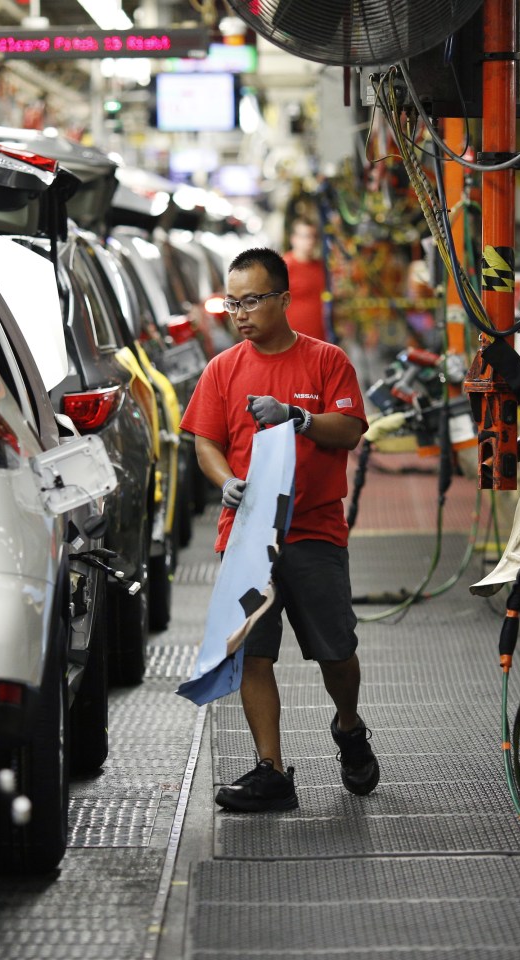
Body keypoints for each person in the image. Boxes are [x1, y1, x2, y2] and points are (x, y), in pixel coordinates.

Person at [179, 246, 376, 813]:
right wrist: (224, 482)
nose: (240, 313)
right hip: (247, 536)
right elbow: (206, 441)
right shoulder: (223, 368)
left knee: (336, 652)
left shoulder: (326, 361)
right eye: (232, 302)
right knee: (253, 654)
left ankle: (348, 725)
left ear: (284, 299)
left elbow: (350, 431)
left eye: (253, 300)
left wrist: (300, 418)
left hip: (313, 531)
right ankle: (271, 770)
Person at [281, 219, 329, 342]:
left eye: (313, 237)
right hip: (292, 341)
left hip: (319, 340)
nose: (310, 241)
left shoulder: (321, 267)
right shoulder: (283, 266)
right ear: (294, 239)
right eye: (305, 236)